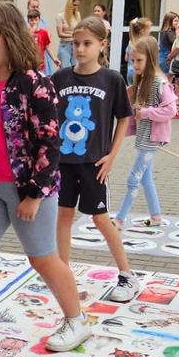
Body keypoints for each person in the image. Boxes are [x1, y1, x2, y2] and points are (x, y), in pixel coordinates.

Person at [0, 0, 92, 352]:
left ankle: (76, 320)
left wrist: (34, 195)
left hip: (28, 191)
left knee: (42, 258)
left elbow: (51, 141)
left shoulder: (35, 83)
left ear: (8, 36)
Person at [53, 16, 141, 303]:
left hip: (94, 164)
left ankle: (127, 274)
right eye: (76, 43)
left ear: (102, 45)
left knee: (100, 218)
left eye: (87, 43)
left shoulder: (112, 79)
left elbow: (124, 117)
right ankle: (61, 272)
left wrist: (112, 156)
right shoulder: (60, 78)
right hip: (63, 162)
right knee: (62, 216)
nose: (80, 49)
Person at [117, 34, 176, 228]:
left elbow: (171, 110)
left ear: (151, 58)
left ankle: (119, 218)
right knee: (146, 178)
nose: (135, 65)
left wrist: (146, 112)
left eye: (139, 60)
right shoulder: (142, 81)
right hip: (145, 136)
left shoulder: (160, 83)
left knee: (134, 178)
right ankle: (156, 216)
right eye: (133, 60)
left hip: (151, 139)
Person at [57, 0, 82, 70]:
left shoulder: (78, 14)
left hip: (75, 44)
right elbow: (60, 34)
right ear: (70, 4)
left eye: (77, 5)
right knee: (65, 68)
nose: (75, 7)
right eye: (74, 5)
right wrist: (73, 35)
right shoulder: (61, 16)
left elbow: (80, 29)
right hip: (65, 45)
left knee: (76, 67)